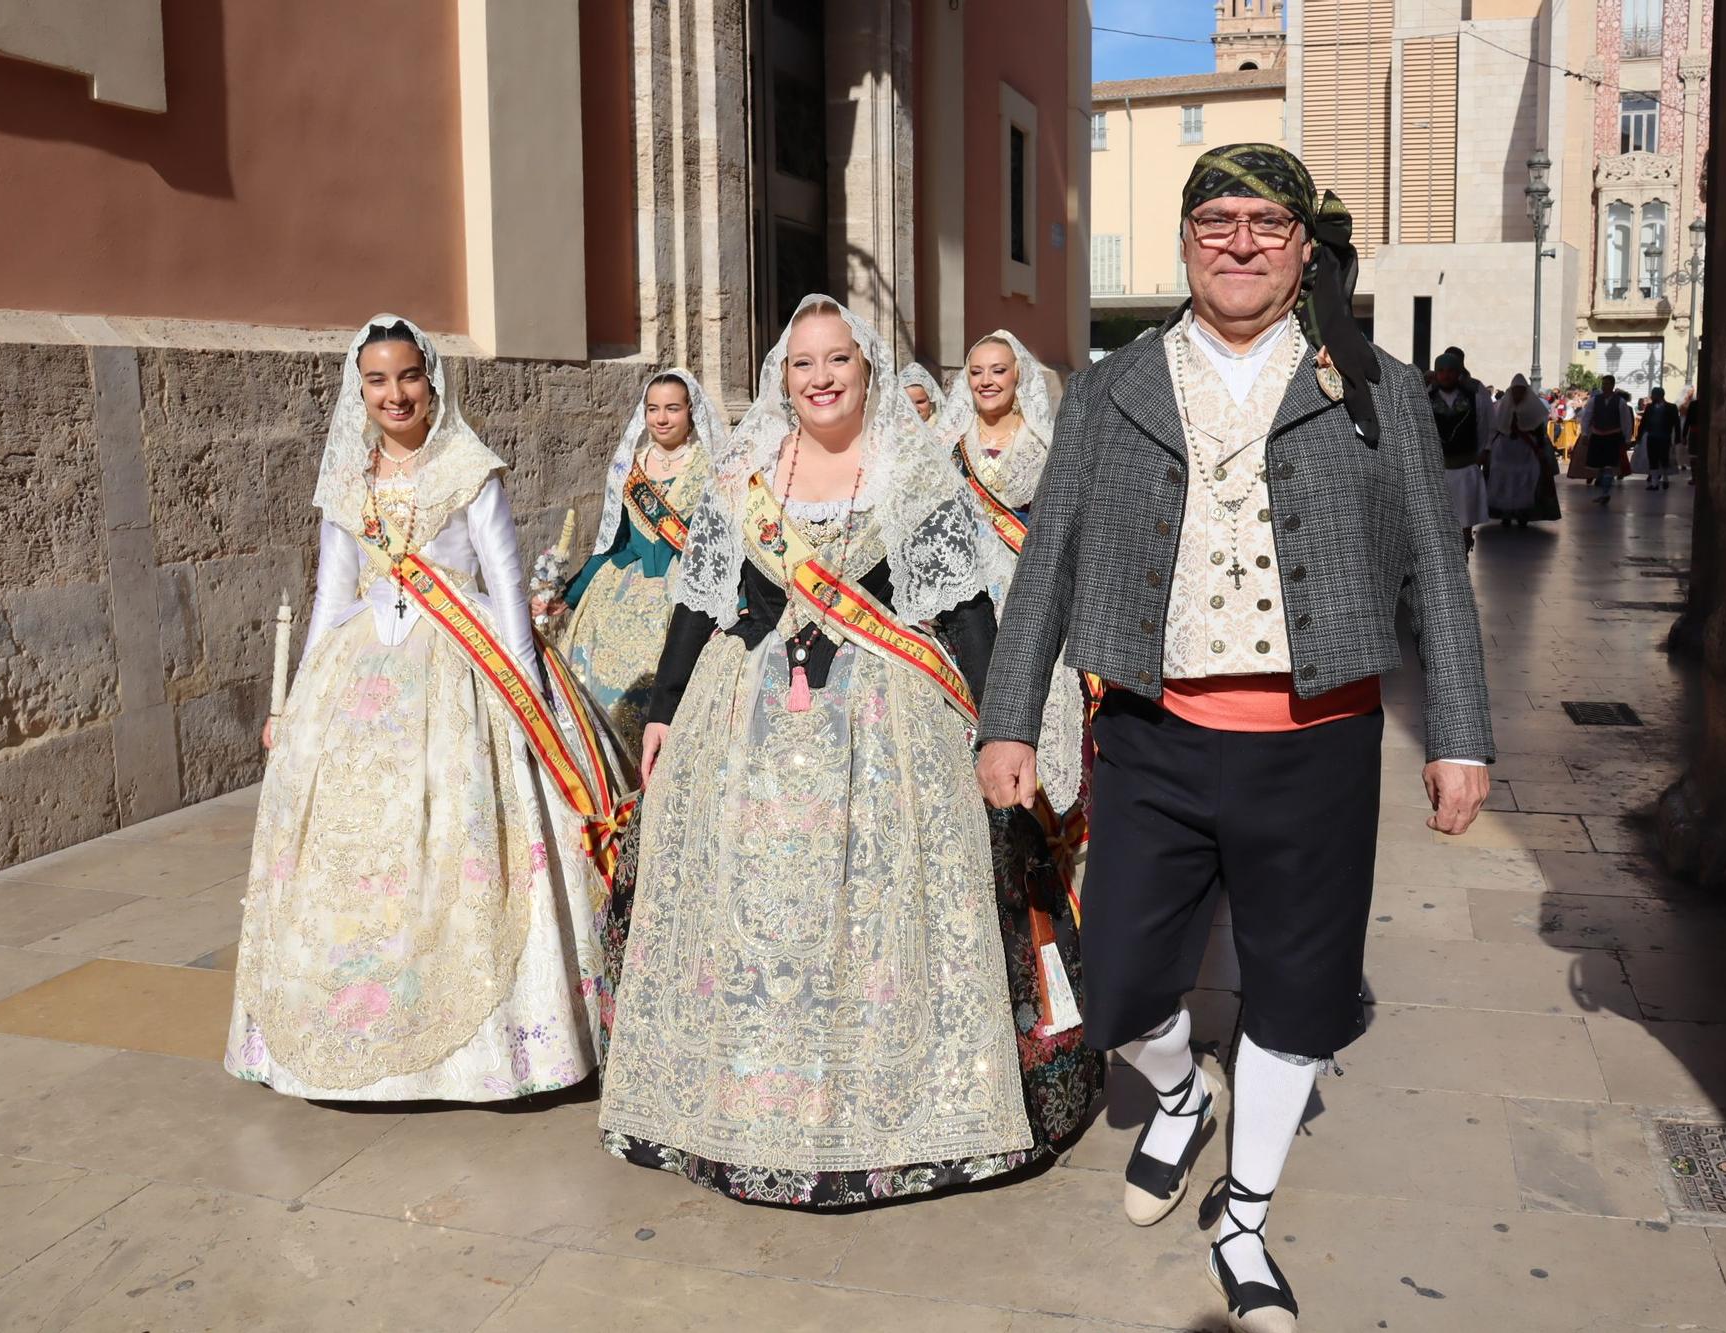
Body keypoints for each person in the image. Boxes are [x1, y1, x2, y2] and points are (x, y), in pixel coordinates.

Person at [976, 143, 1493, 1332]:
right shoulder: (1114, 389)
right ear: (1184, 241)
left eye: (1265, 223)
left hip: (1316, 744)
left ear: (1305, 247)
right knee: (1116, 977)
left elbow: (1431, 567)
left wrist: (1454, 731)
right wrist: (1009, 717)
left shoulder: (1372, 386)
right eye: (1216, 221)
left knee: (1297, 995)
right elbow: (1047, 557)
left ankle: (1245, 1216)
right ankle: (1174, 1096)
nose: (1240, 242)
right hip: (1152, 737)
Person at [598, 294, 1098, 1207]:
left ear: (868, 371)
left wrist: (1002, 724)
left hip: (888, 720)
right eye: (803, 363)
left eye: (839, 362)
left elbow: (965, 611)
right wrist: (665, 708)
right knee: (741, 899)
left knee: (882, 900)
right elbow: (698, 601)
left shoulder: (913, 474)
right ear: (782, 379)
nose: (821, 378)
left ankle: (897, 1110)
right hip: (746, 715)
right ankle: (743, 1101)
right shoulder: (745, 471)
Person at [227, 315, 621, 1101]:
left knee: (461, 831)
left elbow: (508, 586)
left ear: (431, 379)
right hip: (364, 668)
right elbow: (330, 595)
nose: (394, 393)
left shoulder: (471, 469)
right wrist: (301, 701)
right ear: (359, 389)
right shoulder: (345, 480)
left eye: (406, 376)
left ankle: (495, 1043)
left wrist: (529, 697)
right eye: (377, 380)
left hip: (464, 665)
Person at [537, 370, 725, 755]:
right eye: (653, 408)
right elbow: (611, 542)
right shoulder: (629, 467)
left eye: (672, 408)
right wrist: (569, 596)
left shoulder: (713, 467)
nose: (661, 418)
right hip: (620, 593)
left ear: (690, 410)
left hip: (683, 596)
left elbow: (722, 546)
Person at [941, 330, 1088, 815]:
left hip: (1027, 599)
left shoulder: (1045, 444)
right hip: (968, 602)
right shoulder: (947, 447)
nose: (986, 381)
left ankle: (1047, 828)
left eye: (998, 370)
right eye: (976, 371)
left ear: (1018, 375)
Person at [1429, 351, 1488, 555]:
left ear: (1458, 373)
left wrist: (1481, 452)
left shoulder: (1474, 397)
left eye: (1450, 371)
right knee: (1438, 522)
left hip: (1465, 469)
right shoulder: (1426, 398)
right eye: (1441, 371)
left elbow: (1484, 426)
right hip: (1437, 471)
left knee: (1464, 521)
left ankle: (1463, 555)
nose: (1445, 375)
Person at [1486, 374, 1560, 528]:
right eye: (1515, 390)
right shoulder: (1502, 406)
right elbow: (1496, 427)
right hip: (1504, 449)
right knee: (1503, 479)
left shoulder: (1534, 408)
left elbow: (1539, 429)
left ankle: (1523, 512)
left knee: (1527, 479)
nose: (1518, 394)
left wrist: (1539, 447)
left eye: (1521, 390)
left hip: (1527, 449)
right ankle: (1505, 512)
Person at [1581, 374, 1634, 505]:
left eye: (1607, 384)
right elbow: (1586, 417)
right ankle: (1603, 491)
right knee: (1599, 465)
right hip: (1598, 435)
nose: (1604, 387)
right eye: (1603, 384)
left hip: (1613, 436)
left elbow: (1626, 421)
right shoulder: (1594, 400)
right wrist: (1585, 434)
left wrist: (1627, 438)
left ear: (1612, 385)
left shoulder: (1620, 402)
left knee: (1609, 466)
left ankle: (1605, 493)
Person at [1636, 386, 1683, 491]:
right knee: (1652, 459)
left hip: (1665, 437)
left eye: (1653, 394)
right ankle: (1654, 483)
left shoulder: (1671, 407)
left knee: (1664, 459)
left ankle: (1665, 479)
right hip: (1651, 436)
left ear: (1659, 395)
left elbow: (1677, 423)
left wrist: (1678, 438)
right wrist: (1639, 437)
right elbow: (1643, 423)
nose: (1651, 397)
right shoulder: (1649, 407)